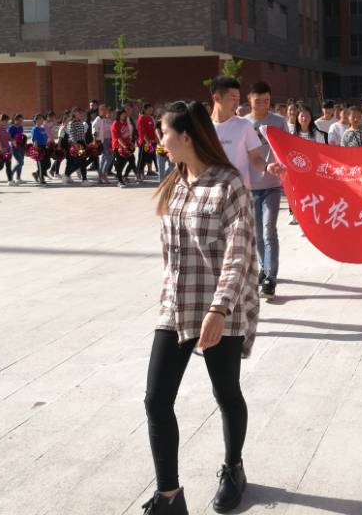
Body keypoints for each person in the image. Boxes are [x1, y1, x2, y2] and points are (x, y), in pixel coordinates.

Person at [144, 100, 260, 515]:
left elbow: (239, 254)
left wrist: (219, 310)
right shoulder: (175, 182)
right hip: (177, 306)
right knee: (156, 400)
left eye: (164, 133)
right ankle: (170, 497)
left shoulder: (229, 185)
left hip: (219, 310)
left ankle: (233, 468)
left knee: (225, 392)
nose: (161, 141)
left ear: (186, 136)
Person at [243, 81, 287, 300]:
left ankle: (271, 278)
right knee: (257, 233)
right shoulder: (243, 124)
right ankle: (263, 266)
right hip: (250, 186)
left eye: (267, 101)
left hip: (272, 185)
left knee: (269, 230)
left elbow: (288, 148)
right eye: (258, 101)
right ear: (249, 100)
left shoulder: (278, 122)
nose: (262, 105)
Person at [209, 77, 280, 192]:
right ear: (216, 98)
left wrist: (267, 167)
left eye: (238, 99)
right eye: (233, 99)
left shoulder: (244, 125)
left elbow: (255, 158)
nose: (237, 104)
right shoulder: (204, 128)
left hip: (239, 192)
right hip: (211, 191)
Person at [64, 108, 92, 185]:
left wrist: (85, 144)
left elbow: (82, 134)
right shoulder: (71, 123)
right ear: (74, 113)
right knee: (80, 162)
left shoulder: (80, 122)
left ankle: (84, 180)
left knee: (82, 162)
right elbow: (71, 135)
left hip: (82, 143)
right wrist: (76, 145)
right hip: (76, 144)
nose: (80, 115)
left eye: (81, 113)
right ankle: (68, 175)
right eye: (79, 113)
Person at [111, 108, 137, 187]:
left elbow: (127, 135)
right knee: (120, 164)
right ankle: (120, 181)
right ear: (119, 115)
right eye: (123, 114)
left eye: (125, 114)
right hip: (118, 147)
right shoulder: (115, 124)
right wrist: (125, 146)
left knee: (132, 160)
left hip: (127, 146)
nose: (124, 115)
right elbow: (118, 138)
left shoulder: (125, 123)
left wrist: (131, 144)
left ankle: (125, 176)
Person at [91, 104, 114, 185]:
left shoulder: (108, 119)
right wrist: (94, 141)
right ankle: (104, 174)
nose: (105, 111)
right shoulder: (98, 119)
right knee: (108, 157)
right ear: (100, 111)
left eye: (106, 110)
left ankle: (100, 176)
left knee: (105, 158)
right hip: (102, 141)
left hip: (109, 141)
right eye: (103, 110)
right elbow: (94, 130)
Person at [137, 103, 159, 181]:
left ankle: (147, 172)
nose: (151, 111)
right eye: (149, 110)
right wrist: (148, 142)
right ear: (144, 110)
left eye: (152, 110)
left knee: (149, 157)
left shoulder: (150, 118)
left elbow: (153, 130)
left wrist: (156, 140)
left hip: (152, 142)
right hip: (145, 142)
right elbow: (142, 132)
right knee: (142, 158)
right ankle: (139, 174)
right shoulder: (141, 118)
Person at [30, 113, 50, 186]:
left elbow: (46, 137)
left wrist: (47, 144)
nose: (42, 120)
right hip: (38, 148)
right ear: (36, 120)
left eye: (42, 119)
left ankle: (36, 174)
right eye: (41, 119)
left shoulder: (42, 128)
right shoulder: (35, 129)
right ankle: (41, 179)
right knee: (41, 165)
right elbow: (34, 140)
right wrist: (36, 149)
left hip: (44, 147)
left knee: (48, 164)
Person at [8, 114, 27, 184]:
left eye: (22, 121)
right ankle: (10, 175)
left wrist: (24, 144)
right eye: (19, 120)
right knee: (20, 162)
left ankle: (18, 178)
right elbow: (9, 137)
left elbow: (22, 136)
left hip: (21, 147)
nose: (20, 122)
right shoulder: (11, 128)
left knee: (20, 163)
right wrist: (14, 141)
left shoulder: (21, 127)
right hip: (14, 148)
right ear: (14, 120)